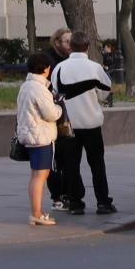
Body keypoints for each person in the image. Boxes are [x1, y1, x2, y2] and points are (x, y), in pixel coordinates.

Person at [50, 31, 115, 215]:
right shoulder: (95, 68)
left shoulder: (60, 68)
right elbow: (105, 92)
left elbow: (55, 93)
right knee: (97, 164)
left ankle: (75, 203)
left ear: (70, 47)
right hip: (91, 123)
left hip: (69, 125)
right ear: (87, 47)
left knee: (71, 165)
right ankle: (103, 202)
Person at [17, 52, 63, 226]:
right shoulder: (39, 89)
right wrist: (59, 108)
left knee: (35, 176)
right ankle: (37, 214)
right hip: (41, 137)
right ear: (46, 69)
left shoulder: (26, 86)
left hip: (30, 135)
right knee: (40, 176)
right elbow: (50, 114)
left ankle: (36, 212)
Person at [43, 27, 72, 212]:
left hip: (67, 115)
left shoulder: (70, 59)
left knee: (67, 157)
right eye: (67, 42)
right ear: (57, 42)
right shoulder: (48, 60)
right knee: (54, 159)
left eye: (72, 42)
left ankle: (67, 193)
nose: (70, 45)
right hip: (52, 115)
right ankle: (57, 196)